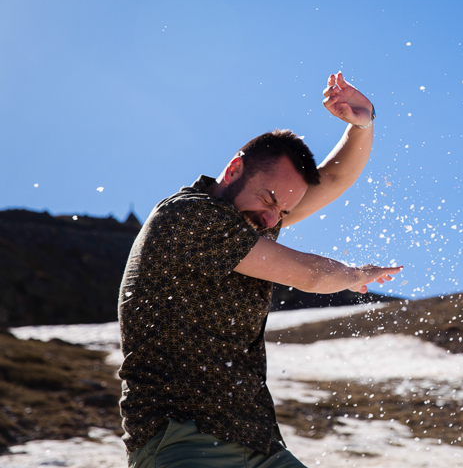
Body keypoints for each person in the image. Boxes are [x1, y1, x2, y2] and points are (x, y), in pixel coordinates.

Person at [118, 72, 400, 468]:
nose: (272, 220)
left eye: (283, 211)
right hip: (182, 440)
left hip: (258, 443)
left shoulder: (251, 218)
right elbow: (312, 276)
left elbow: (334, 177)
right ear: (234, 170)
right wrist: (355, 275)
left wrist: (362, 124)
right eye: (269, 199)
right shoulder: (189, 216)